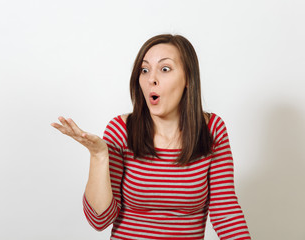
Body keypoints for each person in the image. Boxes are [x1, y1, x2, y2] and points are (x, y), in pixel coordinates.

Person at [51, 34, 251, 239]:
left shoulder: (212, 130)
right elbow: (100, 221)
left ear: (188, 79)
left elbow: (225, 213)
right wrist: (98, 156)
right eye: (144, 70)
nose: (151, 79)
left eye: (165, 69)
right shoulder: (120, 130)